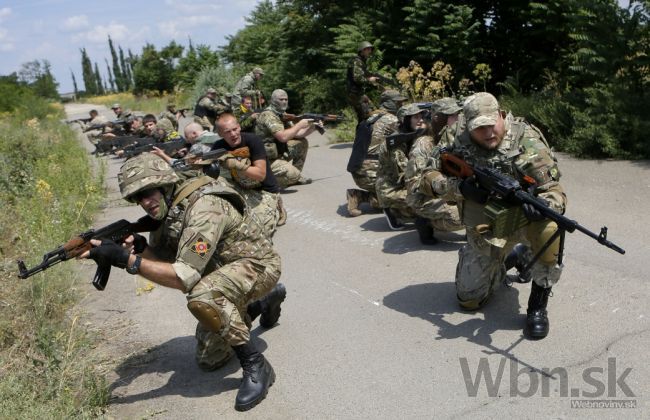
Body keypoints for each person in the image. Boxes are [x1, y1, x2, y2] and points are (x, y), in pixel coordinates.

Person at [80, 153, 287, 411]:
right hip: (225, 272)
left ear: (165, 184)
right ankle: (258, 304)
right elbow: (165, 264)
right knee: (209, 359)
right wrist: (139, 250)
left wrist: (126, 261)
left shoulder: (205, 207)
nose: (145, 202)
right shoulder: (169, 210)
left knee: (203, 297)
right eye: (138, 197)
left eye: (148, 192)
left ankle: (256, 365)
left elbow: (182, 277)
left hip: (258, 267)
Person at [417, 92, 566, 339]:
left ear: (501, 115)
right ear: (467, 123)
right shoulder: (455, 137)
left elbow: (554, 191)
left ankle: (537, 306)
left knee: (551, 229)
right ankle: (509, 259)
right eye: (480, 128)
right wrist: (459, 188)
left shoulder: (525, 138)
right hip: (484, 226)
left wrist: (543, 205)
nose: (488, 133)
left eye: (491, 124)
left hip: (522, 221)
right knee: (468, 301)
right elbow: (426, 178)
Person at [214, 113, 286, 235]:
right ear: (220, 134)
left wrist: (236, 164)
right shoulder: (218, 147)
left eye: (235, 129)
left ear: (239, 127)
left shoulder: (253, 140)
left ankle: (276, 205)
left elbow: (261, 174)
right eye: (227, 132)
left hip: (264, 190)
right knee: (216, 183)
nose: (233, 134)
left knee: (259, 230)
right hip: (241, 189)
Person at [405, 98, 464, 244]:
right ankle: (425, 222)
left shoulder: (456, 138)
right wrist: (445, 188)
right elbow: (415, 184)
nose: (457, 119)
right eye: (451, 116)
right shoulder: (424, 144)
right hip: (424, 196)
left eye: (458, 114)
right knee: (460, 217)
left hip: (448, 189)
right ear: (438, 118)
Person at [346, 89, 406, 217]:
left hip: (359, 169)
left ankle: (361, 195)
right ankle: (362, 196)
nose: (402, 106)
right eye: (398, 103)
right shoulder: (392, 120)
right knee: (403, 197)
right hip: (371, 172)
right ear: (389, 103)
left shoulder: (372, 117)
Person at [255, 89, 322, 187]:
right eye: (281, 99)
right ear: (273, 100)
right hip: (266, 158)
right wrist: (299, 124)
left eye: (286, 99)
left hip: (277, 151)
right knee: (292, 175)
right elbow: (282, 137)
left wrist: (313, 127)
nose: (284, 102)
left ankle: (295, 177)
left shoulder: (282, 114)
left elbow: (297, 134)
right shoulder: (268, 115)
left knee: (302, 142)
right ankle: (264, 182)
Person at [375, 103, 426, 230]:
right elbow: (405, 174)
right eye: (416, 117)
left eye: (421, 117)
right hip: (391, 188)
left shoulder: (410, 136)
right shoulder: (395, 144)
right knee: (425, 202)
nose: (421, 120)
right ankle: (392, 210)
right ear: (405, 120)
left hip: (401, 184)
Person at [346, 41, 379, 123]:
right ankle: (362, 134)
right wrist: (369, 80)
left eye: (370, 49)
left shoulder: (361, 61)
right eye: (368, 49)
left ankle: (362, 134)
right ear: (362, 50)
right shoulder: (357, 61)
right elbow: (357, 78)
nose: (370, 51)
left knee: (367, 116)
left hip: (358, 93)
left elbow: (363, 75)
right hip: (355, 94)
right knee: (368, 116)